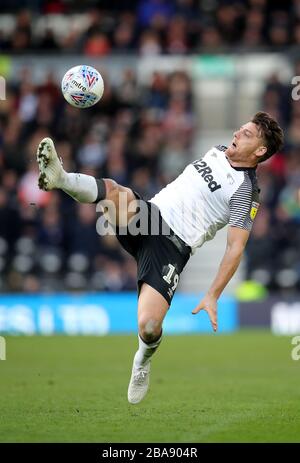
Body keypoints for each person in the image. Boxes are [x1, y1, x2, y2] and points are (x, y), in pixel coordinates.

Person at [36, 111, 284, 404]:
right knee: (114, 192)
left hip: (172, 247)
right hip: (149, 217)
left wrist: (213, 294)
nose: (236, 134)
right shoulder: (217, 151)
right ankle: (60, 177)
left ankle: (143, 359)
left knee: (149, 326)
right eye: (240, 129)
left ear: (260, 151)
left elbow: (235, 247)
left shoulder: (247, 191)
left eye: (247, 134)